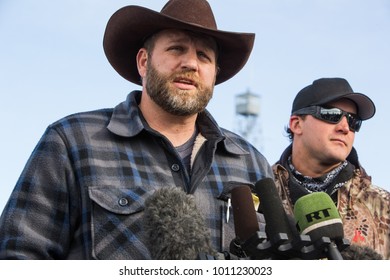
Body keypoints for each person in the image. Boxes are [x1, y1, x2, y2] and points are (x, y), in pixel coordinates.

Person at [0, 0, 273, 259]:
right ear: (144, 62)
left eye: (203, 56)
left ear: (214, 74)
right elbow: (18, 258)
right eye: (176, 49)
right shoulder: (71, 141)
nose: (190, 63)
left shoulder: (251, 163)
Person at [272, 77, 390, 259]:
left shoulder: (384, 206)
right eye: (331, 114)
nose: (344, 127)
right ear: (296, 124)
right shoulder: (256, 196)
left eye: (353, 121)